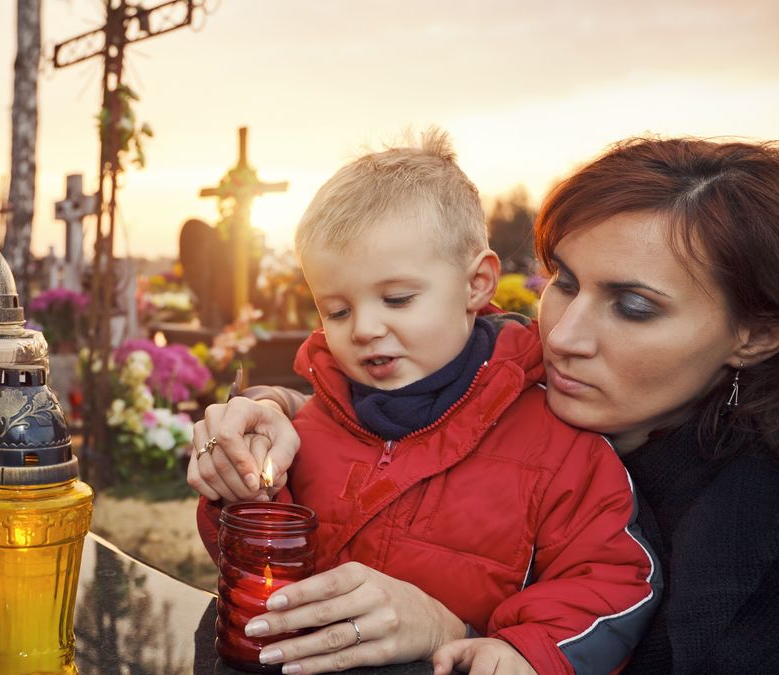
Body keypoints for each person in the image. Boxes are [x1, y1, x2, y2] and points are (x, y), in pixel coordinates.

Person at [191, 135, 779, 675]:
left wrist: (466, 638)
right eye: (566, 282)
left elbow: (602, 592)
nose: (565, 336)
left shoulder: (746, 531)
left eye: (634, 306)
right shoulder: (373, 402)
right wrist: (258, 452)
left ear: (754, 333)